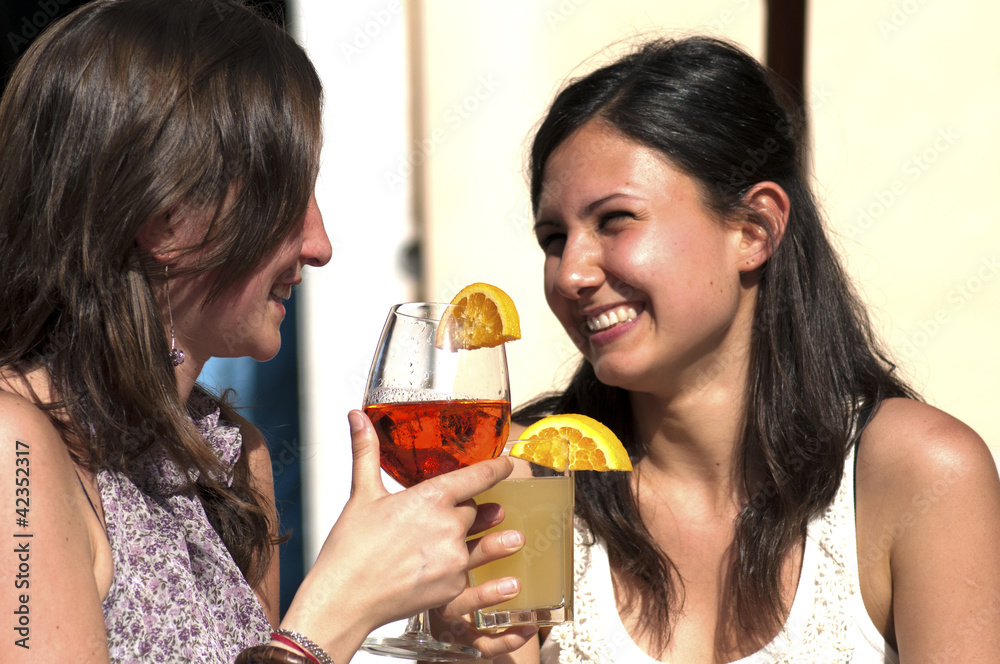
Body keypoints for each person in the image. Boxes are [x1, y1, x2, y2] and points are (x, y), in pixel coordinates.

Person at [0, 1, 536, 662]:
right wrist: (335, 611)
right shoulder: (15, 451)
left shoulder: (229, 461)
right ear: (166, 216)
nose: (320, 244)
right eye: (287, 197)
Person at [456, 36, 1000, 662]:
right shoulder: (526, 478)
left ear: (754, 229)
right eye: (554, 238)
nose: (570, 272)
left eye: (614, 220)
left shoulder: (919, 475)